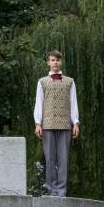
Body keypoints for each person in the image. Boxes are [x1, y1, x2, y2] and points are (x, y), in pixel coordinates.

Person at [34, 50, 79, 197]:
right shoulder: (42, 82)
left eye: (57, 60)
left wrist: (76, 122)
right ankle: (51, 191)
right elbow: (39, 103)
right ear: (48, 62)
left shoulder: (70, 81)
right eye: (52, 60)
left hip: (65, 125)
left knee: (63, 159)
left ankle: (61, 191)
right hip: (47, 125)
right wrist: (38, 123)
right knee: (50, 159)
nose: (55, 63)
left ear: (61, 62)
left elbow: (73, 103)